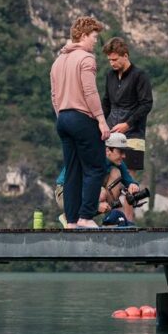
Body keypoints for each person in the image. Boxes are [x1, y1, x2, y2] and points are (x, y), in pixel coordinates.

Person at [51, 16, 109, 229]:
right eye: (94, 37)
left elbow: (54, 95)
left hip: (63, 119)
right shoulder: (86, 59)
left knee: (72, 170)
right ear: (83, 36)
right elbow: (90, 92)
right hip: (82, 118)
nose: (96, 42)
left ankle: (71, 220)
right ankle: (86, 216)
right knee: (95, 167)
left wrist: (62, 116)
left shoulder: (58, 61)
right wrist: (101, 121)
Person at [100, 37, 153, 174]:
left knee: (129, 178)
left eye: (115, 59)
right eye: (110, 60)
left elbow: (146, 104)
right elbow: (106, 102)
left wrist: (127, 124)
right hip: (111, 131)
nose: (112, 63)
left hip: (134, 132)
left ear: (125, 56)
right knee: (108, 176)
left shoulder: (140, 75)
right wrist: (100, 123)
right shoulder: (109, 75)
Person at [97, 132, 142, 224]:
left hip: (89, 195)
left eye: (124, 152)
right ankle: (70, 216)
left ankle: (112, 219)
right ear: (107, 150)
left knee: (116, 173)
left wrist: (133, 186)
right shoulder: (94, 159)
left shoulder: (118, 164)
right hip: (67, 193)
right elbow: (78, 187)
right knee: (101, 193)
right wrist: (96, 206)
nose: (124, 156)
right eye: (120, 152)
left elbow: (130, 181)